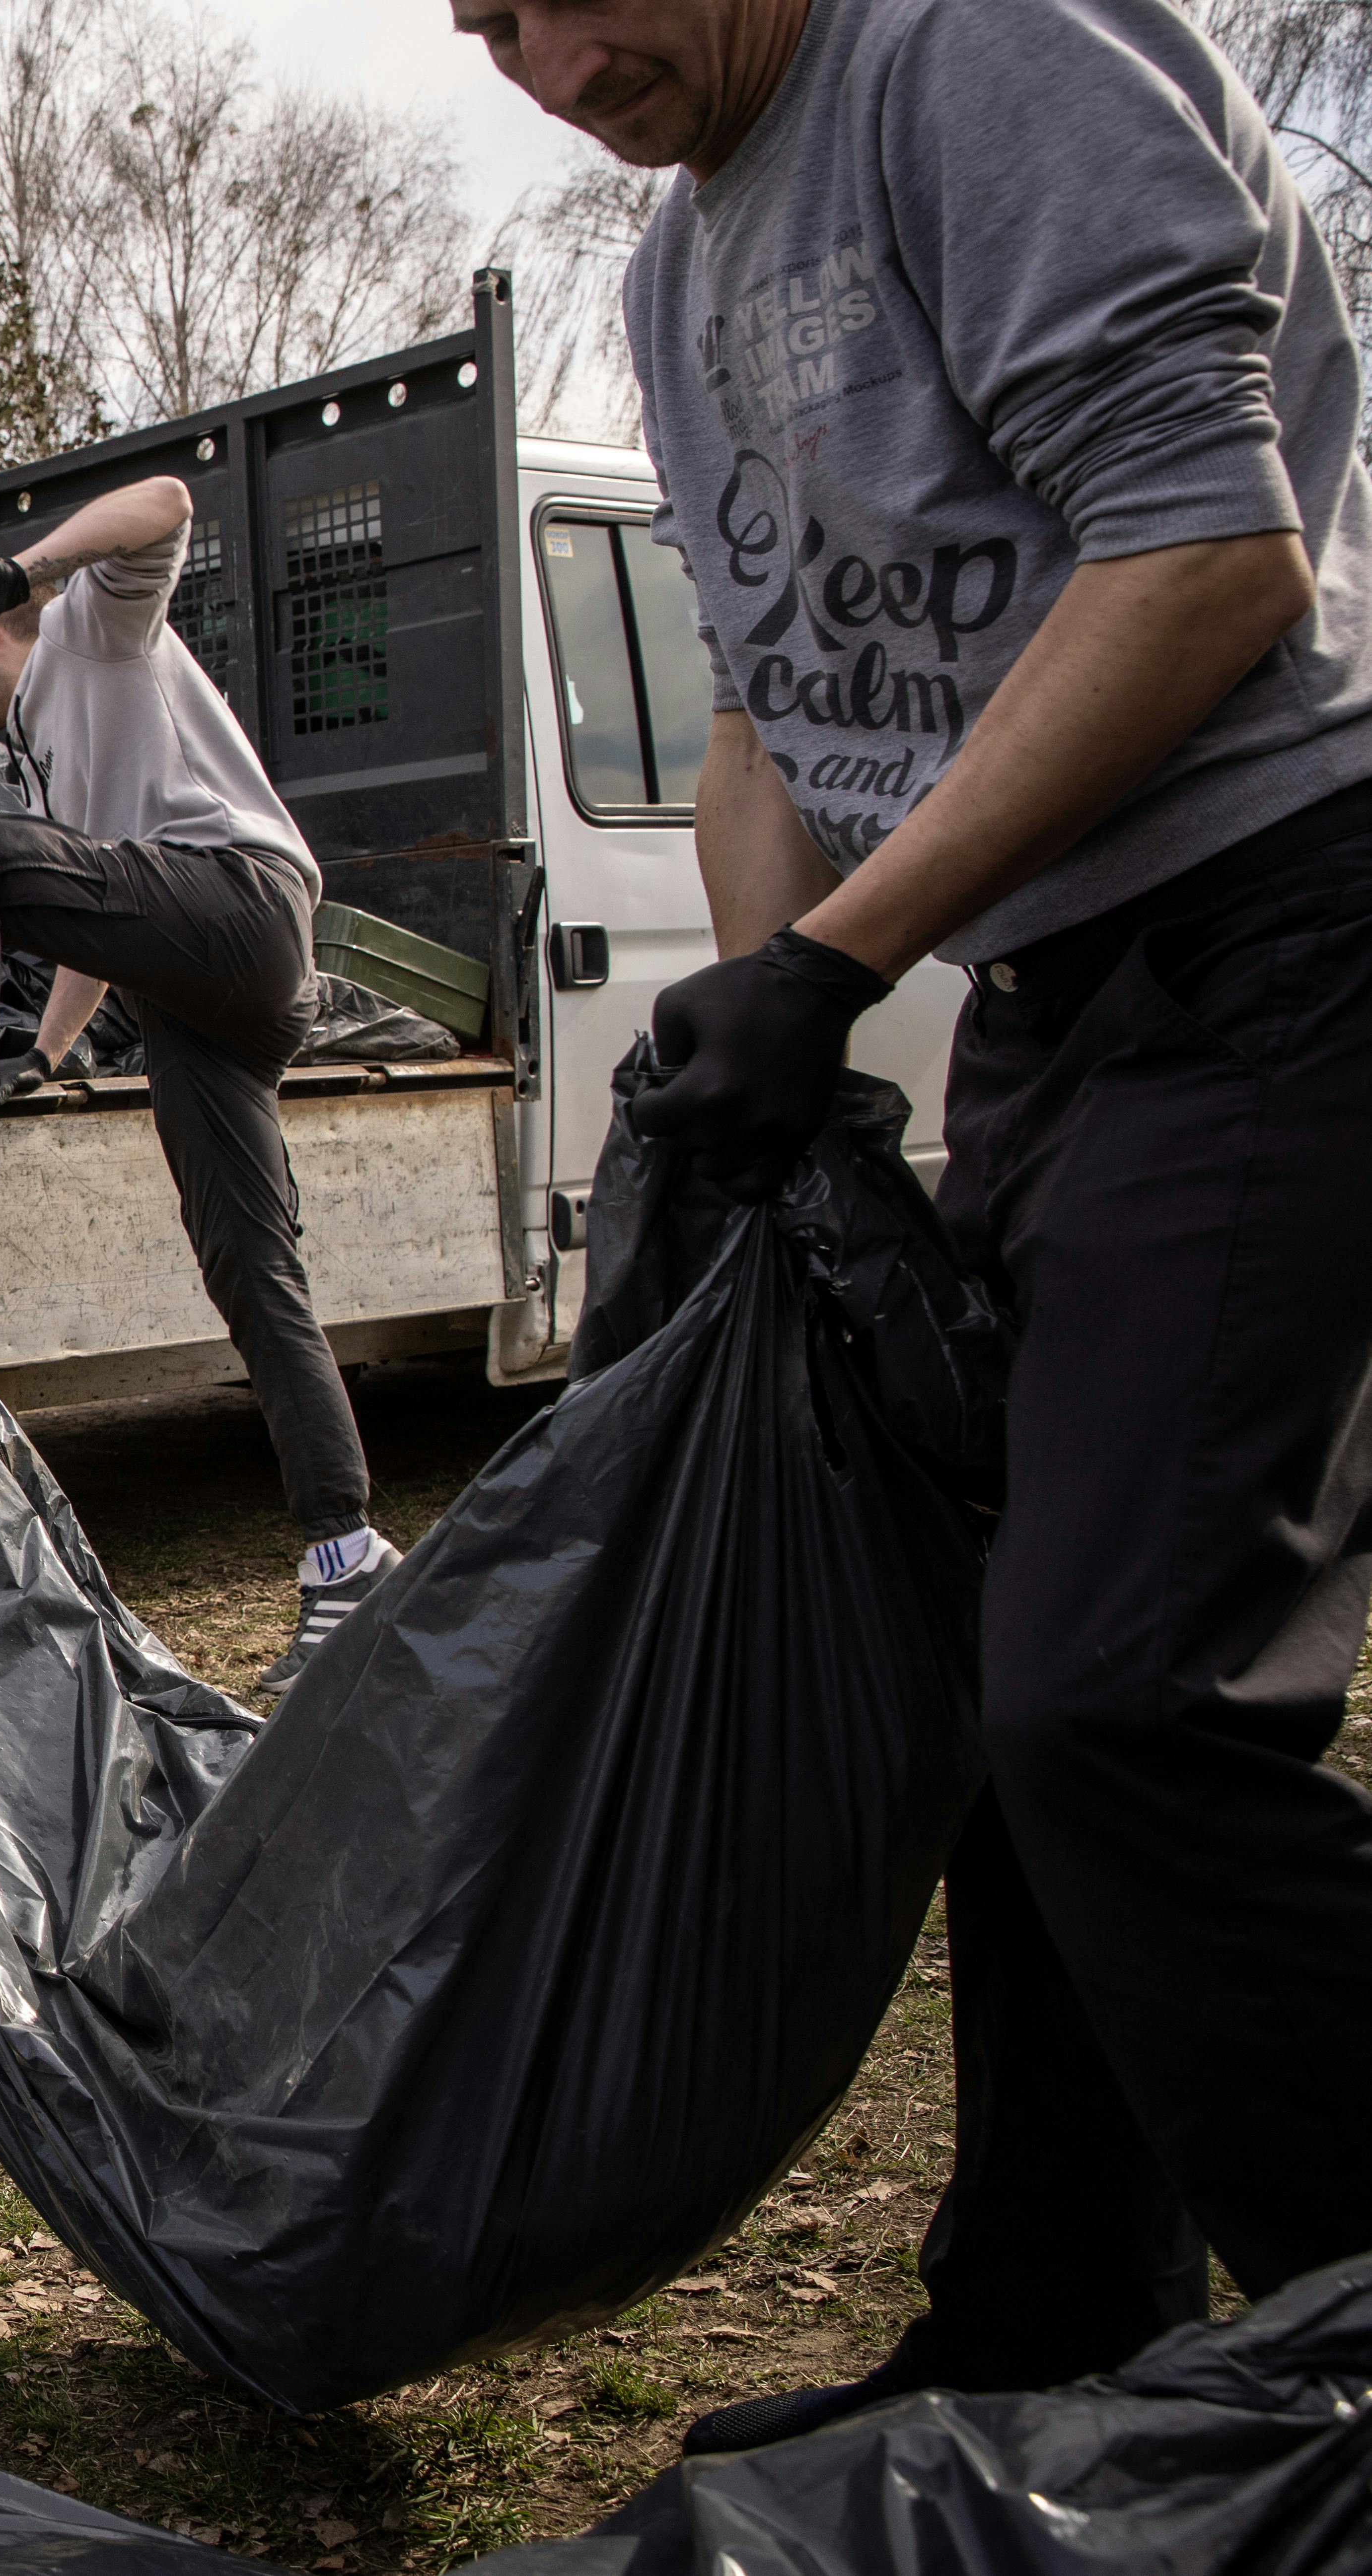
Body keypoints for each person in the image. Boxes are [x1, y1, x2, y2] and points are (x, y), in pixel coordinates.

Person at [456, 0, 1372, 2452]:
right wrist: (781, 1008)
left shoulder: (977, 55)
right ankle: (1052, 2315)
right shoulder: (674, 272)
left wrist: (843, 960)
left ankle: (1349, 2351)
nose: (536, 63)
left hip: (1287, 928)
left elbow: (1204, 557)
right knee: (1000, 1674)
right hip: (1065, 993)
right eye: (469, 26)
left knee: (1124, 1688)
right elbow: (766, 716)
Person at [0, 484, 405, 1690]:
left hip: (238, 903)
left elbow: (171, 503)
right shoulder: (52, 767)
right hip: (202, 983)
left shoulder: (88, 629)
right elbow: (96, 929)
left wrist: (21, 571)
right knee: (247, 1260)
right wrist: (47, 1055)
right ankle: (346, 1555)